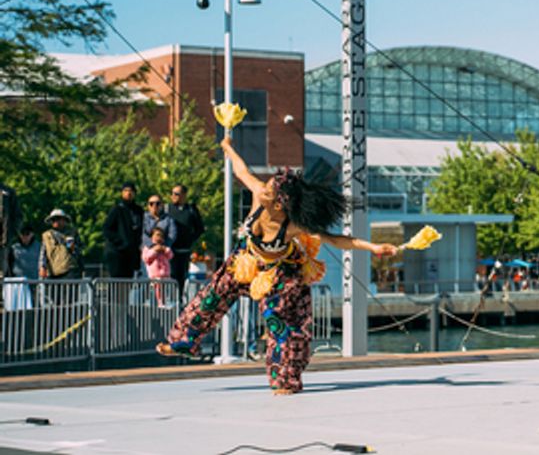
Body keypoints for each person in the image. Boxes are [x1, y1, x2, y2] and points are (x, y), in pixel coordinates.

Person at [158, 137, 401, 394]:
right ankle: (184, 340)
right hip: (246, 260)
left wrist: (373, 248)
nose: (262, 190)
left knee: (277, 321)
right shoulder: (258, 194)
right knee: (212, 295)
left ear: (278, 204)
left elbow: (337, 239)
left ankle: (285, 379)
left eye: (269, 191)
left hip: (280, 272)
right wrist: (228, 146)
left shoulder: (293, 225)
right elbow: (241, 170)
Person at [165, 184, 204, 287]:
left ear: (184, 195)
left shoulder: (191, 210)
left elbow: (200, 228)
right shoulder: (167, 209)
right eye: (172, 193)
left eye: (176, 194)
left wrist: (190, 240)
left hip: (184, 250)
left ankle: (180, 300)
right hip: (170, 250)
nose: (173, 196)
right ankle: (169, 300)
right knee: (169, 275)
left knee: (181, 277)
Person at [102, 182, 143, 278]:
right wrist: (121, 242)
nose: (128, 193)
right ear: (122, 193)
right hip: (117, 253)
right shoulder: (117, 209)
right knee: (116, 283)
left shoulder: (138, 210)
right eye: (126, 191)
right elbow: (106, 229)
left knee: (128, 284)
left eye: (131, 191)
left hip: (131, 254)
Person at [4, 224, 40, 310]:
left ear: (32, 234)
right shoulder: (14, 247)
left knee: (34, 307)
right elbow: (9, 264)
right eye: (22, 234)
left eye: (27, 234)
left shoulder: (39, 246)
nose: (24, 236)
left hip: (35, 283)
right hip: (19, 285)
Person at [40, 209, 81, 280]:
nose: (56, 221)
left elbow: (79, 251)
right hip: (52, 272)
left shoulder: (73, 232)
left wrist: (72, 247)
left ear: (64, 220)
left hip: (69, 271)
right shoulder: (46, 235)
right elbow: (43, 253)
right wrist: (42, 267)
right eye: (53, 219)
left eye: (58, 219)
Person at [143, 226, 174, 305]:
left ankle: (164, 306)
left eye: (161, 236)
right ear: (152, 236)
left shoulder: (164, 248)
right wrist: (154, 250)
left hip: (165, 277)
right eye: (157, 235)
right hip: (154, 278)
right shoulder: (148, 247)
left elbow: (170, 256)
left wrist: (165, 250)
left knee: (165, 296)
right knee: (155, 296)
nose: (159, 237)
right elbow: (146, 258)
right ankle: (157, 306)